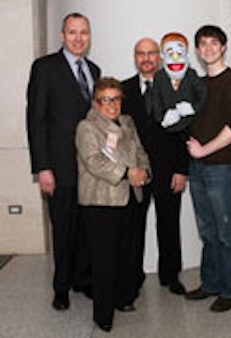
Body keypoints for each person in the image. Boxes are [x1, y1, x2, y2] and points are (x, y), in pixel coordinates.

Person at [26, 12, 101, 310]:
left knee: (85, 227)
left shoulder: (94, 69)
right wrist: (42, 167)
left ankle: (83, 280)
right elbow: (36, 120)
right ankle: (61, 287)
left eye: (84, 32)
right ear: (62, 35)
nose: (79, 38)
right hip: (59, 167)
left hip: (91, 169)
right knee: (63, 228)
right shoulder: (44, 68)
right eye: (73, 32)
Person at [76, 77, 151, 332]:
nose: (112, 104)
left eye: (116, 99)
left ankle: (123, 298)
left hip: (129, 197)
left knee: (125, 254)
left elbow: (141, 152)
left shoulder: (128, 122)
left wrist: (144, 172)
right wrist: (128, 172)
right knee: (103, 260)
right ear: (95, 102)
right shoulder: (86, 127)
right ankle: (103, 314)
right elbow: (93, 161)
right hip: (101, 201)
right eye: (105, 99)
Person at [185, 25, 231, 312]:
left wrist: (203, 150)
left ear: (223, 47)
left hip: (221, 168)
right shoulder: (197, 82)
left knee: (227, 232)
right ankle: (210, 283)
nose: (208, 48)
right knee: (207, 230)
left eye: (214, 43)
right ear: (197, 50)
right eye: (202, 44)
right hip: (197, 168)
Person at [121, 38, 188, 296]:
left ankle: (171, 276)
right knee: (133, 226)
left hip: (169, 170)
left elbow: (184, 132)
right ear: (135, 57)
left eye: (151, 53)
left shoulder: (176, 87)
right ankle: (133, 277)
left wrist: (182, 170)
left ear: (159, 57)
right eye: (141, 53)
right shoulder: (124, 90)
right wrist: (127, 170)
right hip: (136, 172)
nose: (146, 58)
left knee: (169, 224)